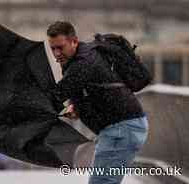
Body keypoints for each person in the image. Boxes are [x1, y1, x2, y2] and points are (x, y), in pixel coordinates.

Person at [47, 21, 152, 184]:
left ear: (74, 41)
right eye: (52, 48)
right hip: (121, 128)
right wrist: (78, 107)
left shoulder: (82, 63)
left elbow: (53, 96)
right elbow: (98, 88)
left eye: (60, 47)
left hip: (121, 130)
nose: (56, 53)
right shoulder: (84, 56)